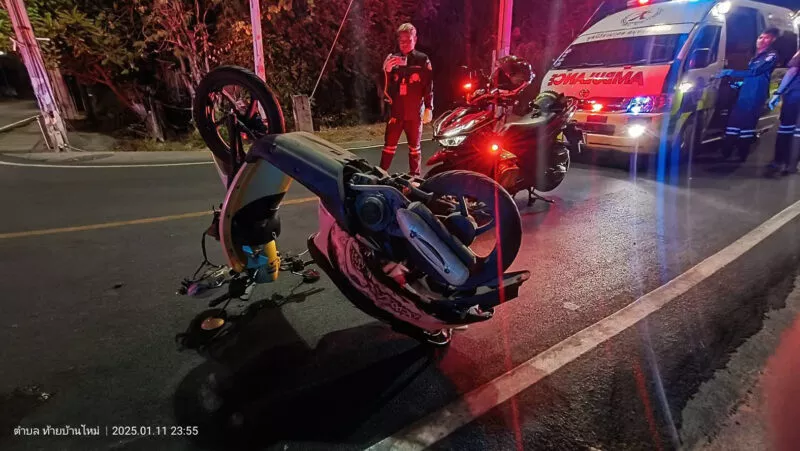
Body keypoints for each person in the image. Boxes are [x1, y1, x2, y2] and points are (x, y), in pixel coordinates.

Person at [381, 23, 434, 177]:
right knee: (389, 147)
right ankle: (381, 175)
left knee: (415, 148)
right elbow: (385, 89)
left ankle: (415, 178)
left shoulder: (423, 60)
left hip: (414, 112)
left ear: (415, 39)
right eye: (401, 41)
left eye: (408, 40)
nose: (404, 44)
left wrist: (429, 108)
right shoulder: (393, 60)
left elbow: (428, 85)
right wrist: (387, 71)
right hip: (396, 112)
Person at [720, 28, 780, 161]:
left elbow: (755, 73)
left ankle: (742, 153)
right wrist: (739, 84)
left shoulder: (771, 56)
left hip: (755, 94)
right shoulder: (755, 56)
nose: (762, 40)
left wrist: (730, 72)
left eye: (766, 38)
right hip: (745, 93)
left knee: (747, 125)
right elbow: (749, 76)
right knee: (734, 121)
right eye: (760, 37)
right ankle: (726, 151)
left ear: (772, 40)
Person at [765, 50, 800, 176]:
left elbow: (791, 72)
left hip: (794, 95)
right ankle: (791, 165)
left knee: (786, 129)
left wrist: (778, 93)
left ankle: (779, 162)